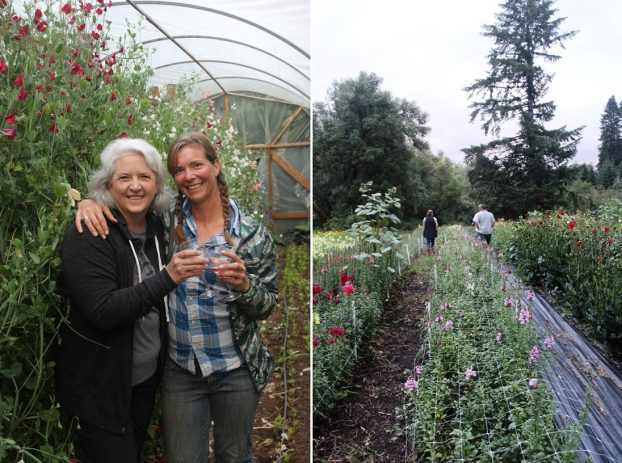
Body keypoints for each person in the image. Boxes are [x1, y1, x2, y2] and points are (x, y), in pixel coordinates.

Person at [75, 131, 278, 463]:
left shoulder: (252, 235)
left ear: (216, 166)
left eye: (196, 165)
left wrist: (245, 287)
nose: (189, 176)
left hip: (235, 368)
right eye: (179, 170)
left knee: (235, 455)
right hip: (182, 370)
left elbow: (267, 305)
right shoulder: (165, 221)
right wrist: (88, 202)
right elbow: (126, 200)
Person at [55, 138, 208, 463]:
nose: (135, 186)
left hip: (142, 381)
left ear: (157, 185)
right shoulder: (89, 234)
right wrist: (169, 276)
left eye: (144, 177)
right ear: (107, 185)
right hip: (100, 389)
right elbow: (103, 310)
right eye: (124, 178)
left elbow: (205, 197)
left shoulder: (161, 228)